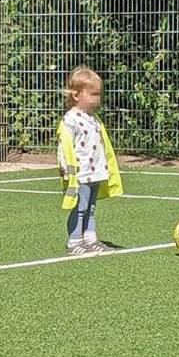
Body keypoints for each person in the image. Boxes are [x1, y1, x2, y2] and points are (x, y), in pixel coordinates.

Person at [57, 66, 124, 256]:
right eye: (92, 94)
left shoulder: (94, 119)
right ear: (76, 95)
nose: (97, 99)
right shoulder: (71, 119)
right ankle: (74, 241)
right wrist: (67, 170)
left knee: (91, 208)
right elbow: (65, 146)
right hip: (81, 173)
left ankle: (90, 239)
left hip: (96, 171)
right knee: (81, 207)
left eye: (98, 94)